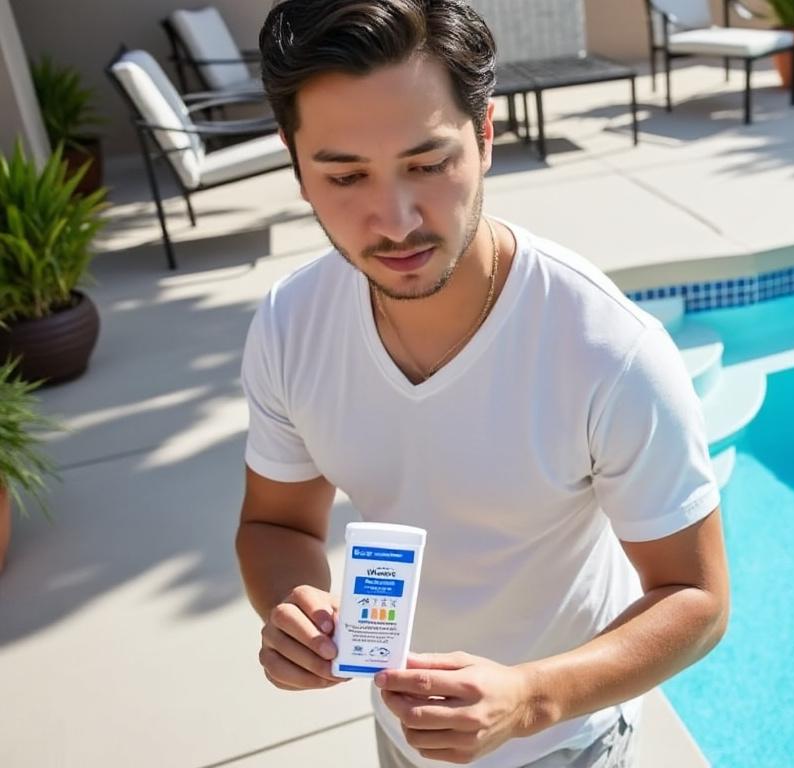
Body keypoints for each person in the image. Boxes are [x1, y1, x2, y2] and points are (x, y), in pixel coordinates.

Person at [234, 2, 729, 766]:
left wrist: (532, 697)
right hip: (398, 734)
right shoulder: (290, 324)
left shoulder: (606, 349)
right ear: (296, 167)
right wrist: (298, 612)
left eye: (427, 164)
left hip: (565, 745)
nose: (394, 220)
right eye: (344, 175)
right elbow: (277, 527)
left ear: (487, 134)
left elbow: (696, 601)